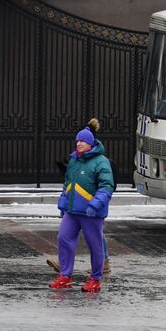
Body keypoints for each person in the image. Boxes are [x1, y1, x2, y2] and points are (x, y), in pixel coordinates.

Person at [49, 123, 115, 293]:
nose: (78, 144)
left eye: (82, 141)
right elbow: (67, 184)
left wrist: (95, 204)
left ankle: (95, 278)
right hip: (72, 211)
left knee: (95, 245)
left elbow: (107, 186)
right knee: (63, 238)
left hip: (91, 213)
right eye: (77, 141)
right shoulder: (74, 160)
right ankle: (65, 276)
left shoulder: (101, 162)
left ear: (90, 144)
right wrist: (63, 203)